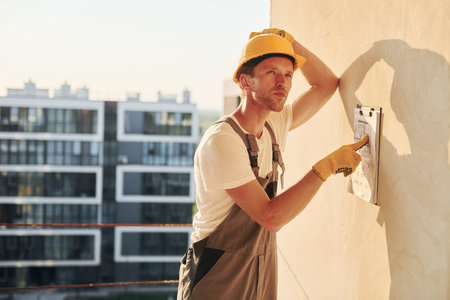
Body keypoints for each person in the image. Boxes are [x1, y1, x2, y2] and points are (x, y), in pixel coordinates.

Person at [177, 28, 368, 300]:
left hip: (261, 265)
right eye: (271, 73)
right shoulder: (222, 141)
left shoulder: (274, 124)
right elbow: (270, 216)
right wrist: (325, 167)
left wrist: (291, 43)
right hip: (217, 271)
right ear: (245, 82)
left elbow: (326, 84)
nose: (284, 83)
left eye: (288, 74)